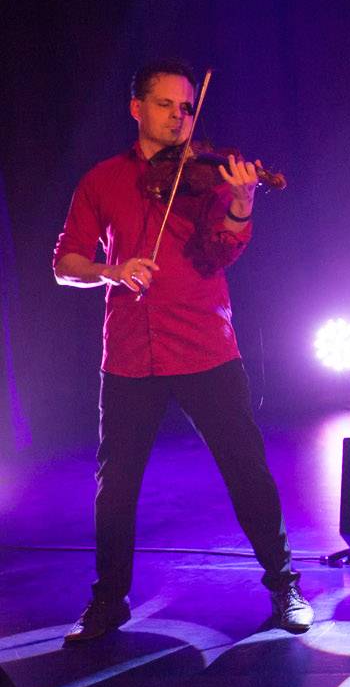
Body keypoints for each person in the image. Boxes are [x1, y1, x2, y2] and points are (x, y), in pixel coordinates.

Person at [53, 59, 310, 643]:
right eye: (166, 104)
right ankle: (108, 601)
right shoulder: (101, 180)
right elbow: (66, 263)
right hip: (129, 352)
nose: (179, 117)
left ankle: (284, 583)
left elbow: (220, 253)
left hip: (204, 346)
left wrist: (241, 201)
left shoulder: (209, 175)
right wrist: (112, 270)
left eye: (187, 107)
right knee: (116, 485)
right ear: (137, 108)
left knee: (246, 469)